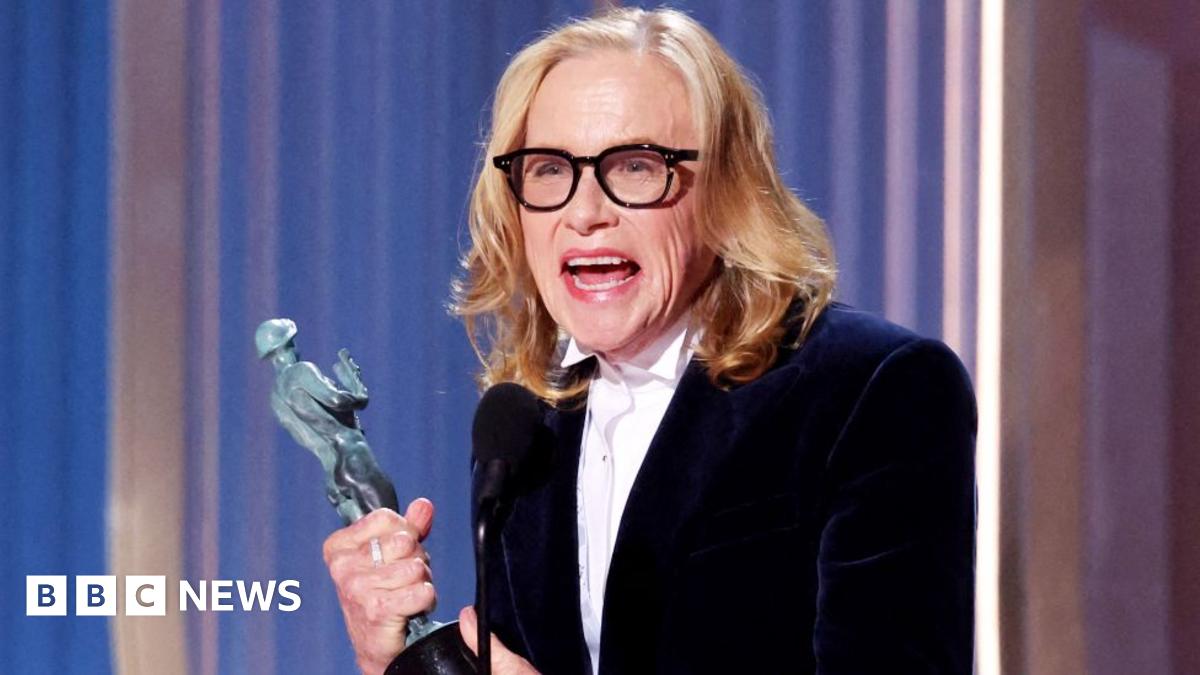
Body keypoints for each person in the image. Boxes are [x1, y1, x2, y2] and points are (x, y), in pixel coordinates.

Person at [321, 7, 975, 675]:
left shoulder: (874, 389)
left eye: (635, 166)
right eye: (549, 169)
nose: (584, 212)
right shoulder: (526, 430)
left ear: (727, 191)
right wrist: (396, 657)